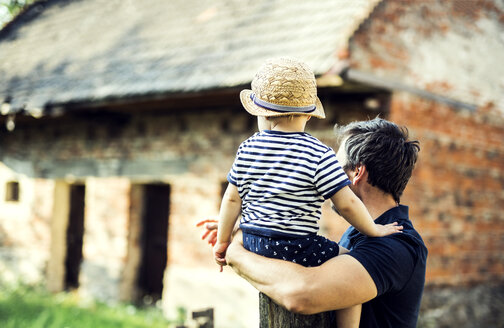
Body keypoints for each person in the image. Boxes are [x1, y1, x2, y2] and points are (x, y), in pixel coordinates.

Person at [205, 57, 402, 327]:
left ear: (260, 113)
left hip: (253, 242)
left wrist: (223, 241)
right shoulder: (318, 153)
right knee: (349, 269)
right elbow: (346, 204)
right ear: (309, 114)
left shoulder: (247, 148)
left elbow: (231, 199)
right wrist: (374, 230)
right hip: (296, 246)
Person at [199, 117, 427, 327]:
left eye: (335, 168)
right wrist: (253, 226)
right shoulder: (360, 232)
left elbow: (299, 295)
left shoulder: (396, 245)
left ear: (357, 172)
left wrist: (236, 250)